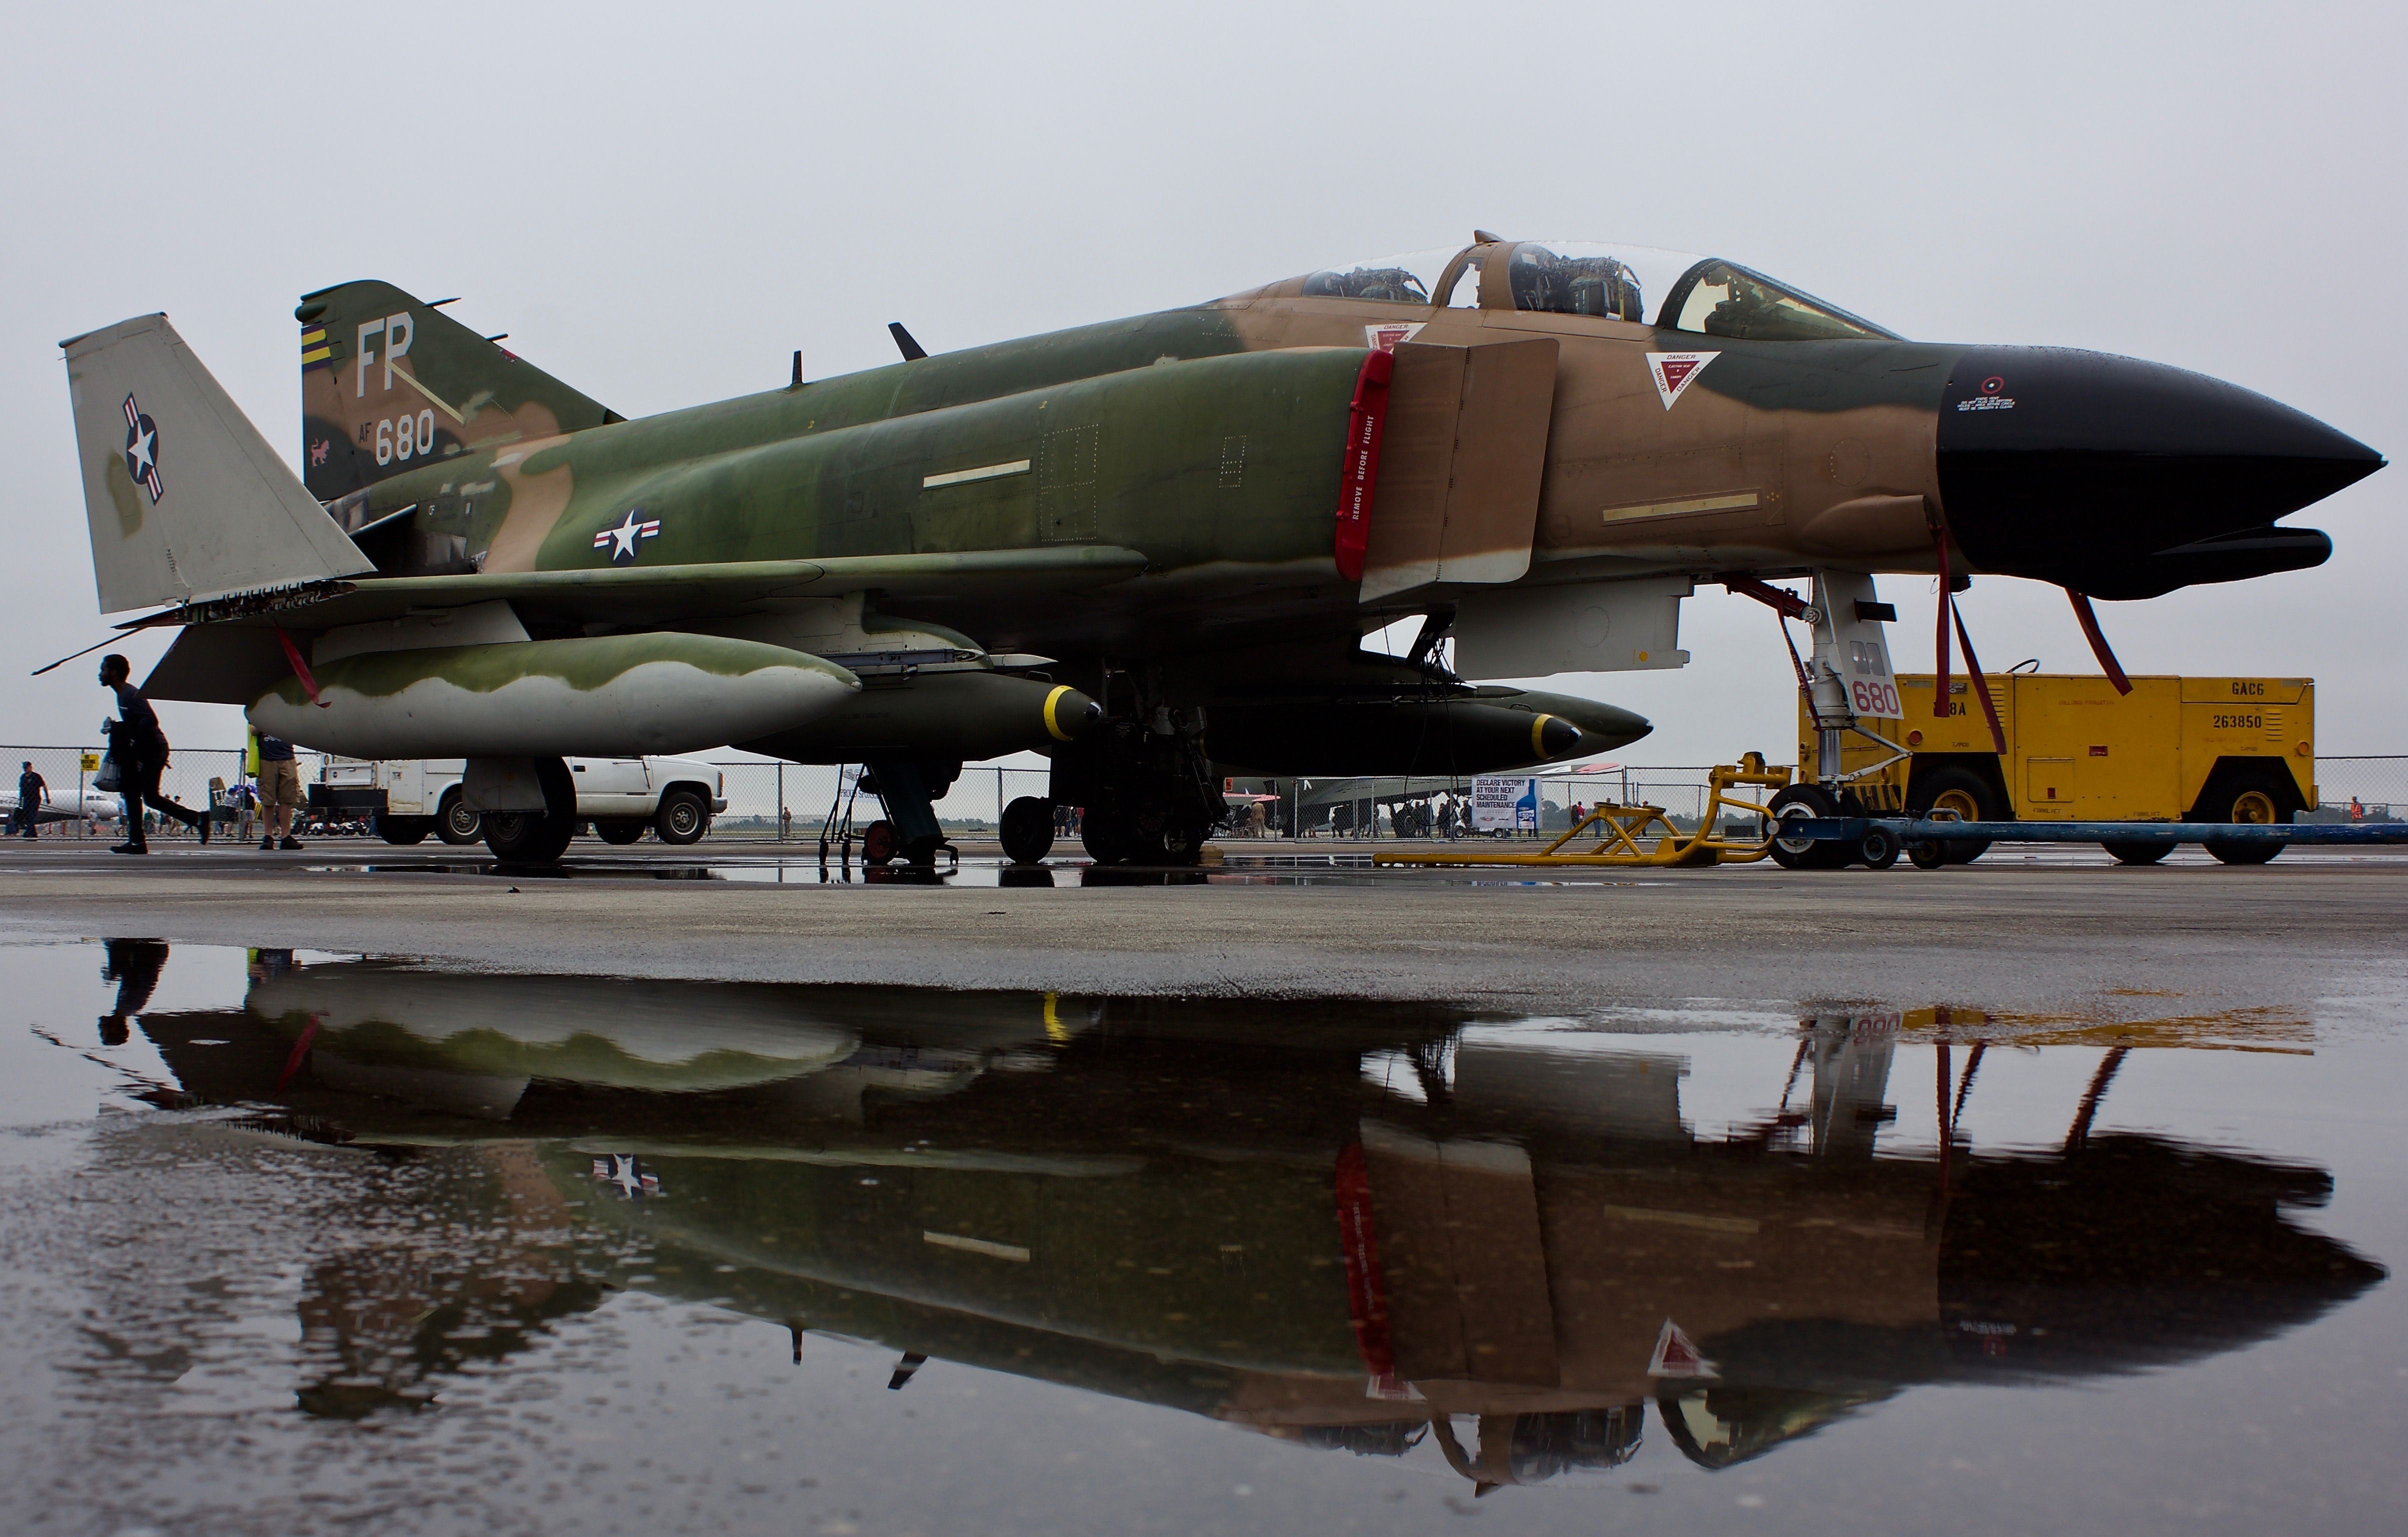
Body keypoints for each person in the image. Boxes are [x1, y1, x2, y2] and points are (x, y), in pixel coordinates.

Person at [97, 654, 207, 854]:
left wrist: (125, 731)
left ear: (113, 673)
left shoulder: (129, 695)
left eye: (103, 670)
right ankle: (198, 820)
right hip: (151, 749)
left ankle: (138, 843)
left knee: (133, 793)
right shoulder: (122, 694)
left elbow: (150, 720)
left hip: (154, 749)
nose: (100, 674)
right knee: (150, 798)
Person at [255, 732, 303, 850]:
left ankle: (286, 836)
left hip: (287, 757)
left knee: (287, 798)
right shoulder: (260, 714)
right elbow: (253, 730)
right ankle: (268, 836)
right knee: (268, 798)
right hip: (267, 759)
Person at [12, 761, 44, 838]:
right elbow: (21, 789)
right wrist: (20, 800)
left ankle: (28, 833)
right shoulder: (23, 777)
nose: (25, 769)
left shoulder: (36, 776)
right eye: (25, 768)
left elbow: (44, 786)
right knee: (27, 817)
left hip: (35, 799)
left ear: (31, 767)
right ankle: (34, 834)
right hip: (27, 799)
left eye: (27, 768)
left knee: (32, 816)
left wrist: (47, 797)